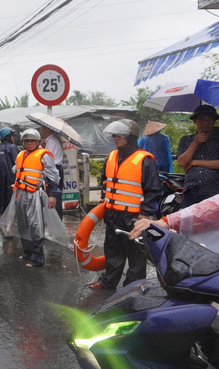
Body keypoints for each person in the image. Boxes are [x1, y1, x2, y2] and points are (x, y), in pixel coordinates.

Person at [89, 119, 161, 290]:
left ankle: (133, 287)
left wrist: (145, 213)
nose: (116, 137)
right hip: (113, 213)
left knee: (136, 253)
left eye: (121, 134)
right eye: (115, 134)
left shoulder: (144, 159)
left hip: (134, 216)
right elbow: (105, 181)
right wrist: (104, 199)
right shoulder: (112, 156)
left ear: (131, 136)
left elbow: (153, 189)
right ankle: (108, 281)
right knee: (112, 249)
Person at [1, 128, 60, 268]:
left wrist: (52, 196)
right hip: (20, 193)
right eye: (26, 141)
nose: (29, 143)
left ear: (38, 141)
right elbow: (17, 170)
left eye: (32, 141)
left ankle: (38, 258)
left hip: (35, 194)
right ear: (23, 142)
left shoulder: (44, 156)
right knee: (23, 224)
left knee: (35, 225)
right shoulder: (21, 155)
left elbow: (54, 177)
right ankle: (28, 252)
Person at [177, 105, 219, 208]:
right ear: (194, 121)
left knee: (212, 223)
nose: (206, 123)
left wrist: (194, 162)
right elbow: (182, 162)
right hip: (192, 190)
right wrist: (195, 143)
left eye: (210, 120)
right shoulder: (185, 140)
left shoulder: (217, 141)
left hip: (214, 190)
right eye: (202, 119)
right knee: (189, 221)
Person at [0, 127, 19, 217]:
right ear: (8, 136)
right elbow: (18, 163)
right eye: (12, 136)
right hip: (9, 181)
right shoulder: (12, 148)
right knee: (10, 206)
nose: (14, 138)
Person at [39, 125, 64, 220]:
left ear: (46, 129)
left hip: (53, 169)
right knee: (54, 192)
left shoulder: (52, 141)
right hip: (54, 168)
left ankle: (56, 217)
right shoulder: (50, 140)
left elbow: (48, 157)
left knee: (54, 193)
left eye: (41, 129)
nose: (41, 131)